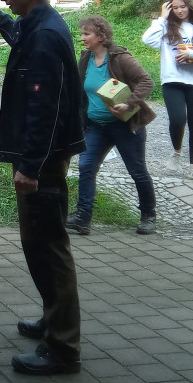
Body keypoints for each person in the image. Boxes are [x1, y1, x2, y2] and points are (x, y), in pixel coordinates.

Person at [0, 0, 86, 376]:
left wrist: (30, 166)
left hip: (44, 160)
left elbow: (45, 109)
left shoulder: (45, 36)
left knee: (48, 247)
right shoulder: (38, 25)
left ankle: (63, 349)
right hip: (44, 157)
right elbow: (16, 35)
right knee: (38, 244)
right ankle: (52, 320)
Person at [67, 16, 158, 236]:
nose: (82, 38)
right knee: (86, 167)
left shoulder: (119, 58)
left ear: (101, 36)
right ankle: (83, 217)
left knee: (137, 171)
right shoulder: (86, 58)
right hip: (96, 126)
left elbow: (147, 81)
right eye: (82, 34)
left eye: (87, 34)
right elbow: (80, 90)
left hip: (124, 126)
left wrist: (129, 104)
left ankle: (148, 215)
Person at [142, 0, 193, 182]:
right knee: (177, 119)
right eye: (175, 7)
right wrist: (161, 18)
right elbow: (147, 40)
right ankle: (176, 154)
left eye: (182, 7)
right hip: (172, 80)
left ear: (190, 6)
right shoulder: (165, 27)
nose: (179, 11)